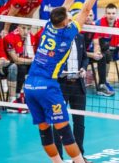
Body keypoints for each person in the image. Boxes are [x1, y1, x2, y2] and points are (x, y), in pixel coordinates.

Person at [24, 0, 108, 163]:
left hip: (29, 86)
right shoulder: (68, 33)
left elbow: (65, 4)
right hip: (48, 86)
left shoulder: (49, 26)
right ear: (65, 22)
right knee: (64, 130)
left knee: (45, 130)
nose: (71, 16)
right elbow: (86, 8)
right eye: (69, 17)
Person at [52, 32, 92, 163]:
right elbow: (50, 59)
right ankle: (59, 159)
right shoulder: (57, 38)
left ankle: (79, 157)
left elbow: (85, 58)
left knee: (79, 123)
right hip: (61, 87)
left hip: (78, 86)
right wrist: (58, 71)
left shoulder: (80, 37)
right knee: (58, 123)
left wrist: (84, 68)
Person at [93, 3, 119, 94]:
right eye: (109, 13)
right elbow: (96, 43)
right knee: (106, 55)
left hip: (117, 51)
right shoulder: (99, 23)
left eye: (113, 13)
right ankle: (105, 81)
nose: (111, 15)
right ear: (105, 14)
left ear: (116, 14)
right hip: (104, 52)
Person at [4, 24, 37, 109]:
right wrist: (33, 61)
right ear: (18, 27)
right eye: (23, 28)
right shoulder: (9, 38)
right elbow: (15, 60)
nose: (26, 31)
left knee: (36, 69)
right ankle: (17, 96)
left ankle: (30, 96)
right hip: (7, 66)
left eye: (28, 28)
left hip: (24, 64)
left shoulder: (31, 38)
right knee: (21, 68)